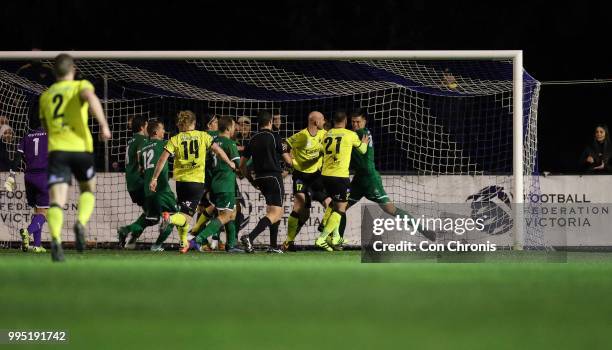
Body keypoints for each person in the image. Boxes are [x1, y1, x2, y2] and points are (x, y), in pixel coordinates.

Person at [39, 53, 112, 262]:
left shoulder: (45, 96)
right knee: (88, 189)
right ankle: (80, 222)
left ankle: (55, 240)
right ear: (73, 69)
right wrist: (103, 125)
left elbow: (46, 127)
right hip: (81, 149)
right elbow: (91, 97)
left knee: (56, 202)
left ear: (54, 72)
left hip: (57, 151)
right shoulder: (81, 85)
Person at [326, 109, 435, 244]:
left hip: (371, 180)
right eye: (353, 122)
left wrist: (327, 131)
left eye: (358, 122)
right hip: (359, 180)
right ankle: (337, 241)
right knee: (340, 209)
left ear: (365, 121)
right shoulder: (353, 134)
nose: (355, 125)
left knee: (390, 209)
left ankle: (423, 230)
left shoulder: (360, 133)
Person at [149, 110, 235, 252]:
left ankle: (183, 243)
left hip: (181, 183)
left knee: (185, 215)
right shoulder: (203, 136)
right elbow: (218, 150)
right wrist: (229, 162)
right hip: (196, 183)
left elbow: (162, 159)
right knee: (185, 217)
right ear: (194, 123)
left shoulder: (175, 139)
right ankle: (169, 219)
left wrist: (154, 178)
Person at [187, 116, 242, 253]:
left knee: (231, 213)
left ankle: (231, 245)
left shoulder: (212, 143)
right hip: (226, 185)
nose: (236, 128)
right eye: (234, 126)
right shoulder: (230, 144)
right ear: (229, 128)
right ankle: (197, 239)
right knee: (225, 215)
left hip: (214, 184)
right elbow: (238, 165)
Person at [239, 111, 292, 253]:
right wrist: (289, 166)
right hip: (274, 177)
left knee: (273, 210)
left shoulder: (252, 139)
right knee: (276, 212)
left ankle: (273, 246)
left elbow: (242, 165)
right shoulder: (275, 137)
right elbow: (288, 161)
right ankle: (250, 237)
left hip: (259, 178)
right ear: (270, 122)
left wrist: (251, 180)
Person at [314, 111, 368, 251]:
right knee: (341, 209)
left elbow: (320, 150)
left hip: (325, 176)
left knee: (335, 205)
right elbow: (362, 150)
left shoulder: (327, 134)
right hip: (340, 177)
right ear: (345, 121)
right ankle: (322, 238)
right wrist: (365, 143)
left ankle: (336, 236)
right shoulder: (350, 134)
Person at [282, 111, 331, 251]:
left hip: (316, 176)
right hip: (301, 176)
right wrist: (289, 160)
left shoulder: (324, 134)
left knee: (330, 204)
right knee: (300, 207)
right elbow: (284, 145)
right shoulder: (302, 136)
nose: (324, 121)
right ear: (315, 122)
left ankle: (324, 236)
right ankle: (288, 242)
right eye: (322, 119)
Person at [4, 121, 49, 253]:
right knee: (44, 213)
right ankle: (27, 231)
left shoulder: (27, 136)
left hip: (28, 177)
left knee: (37, 211)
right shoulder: (50, 136)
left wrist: (11, 175)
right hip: (43, 176)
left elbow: (17, 157)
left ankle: (37, 245)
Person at [140, 120, 178, 251]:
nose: (164, 131)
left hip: (148, 190)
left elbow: (141, 168)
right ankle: (157, 245)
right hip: (161, 188)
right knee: (176, 216)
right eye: (162, 129)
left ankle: (127, 232)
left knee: (150, 219)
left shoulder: (143, 147)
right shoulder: (164, 144)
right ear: (156, 132)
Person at [117, 115, 149, 248]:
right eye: (147, 126)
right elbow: (140, 156)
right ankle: (126, 231)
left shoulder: (131, 140)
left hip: (131, 183)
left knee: (149, 213)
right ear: (142, 127)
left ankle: (131, 240)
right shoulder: (143, 139)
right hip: (139, 182)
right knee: (154, 214)